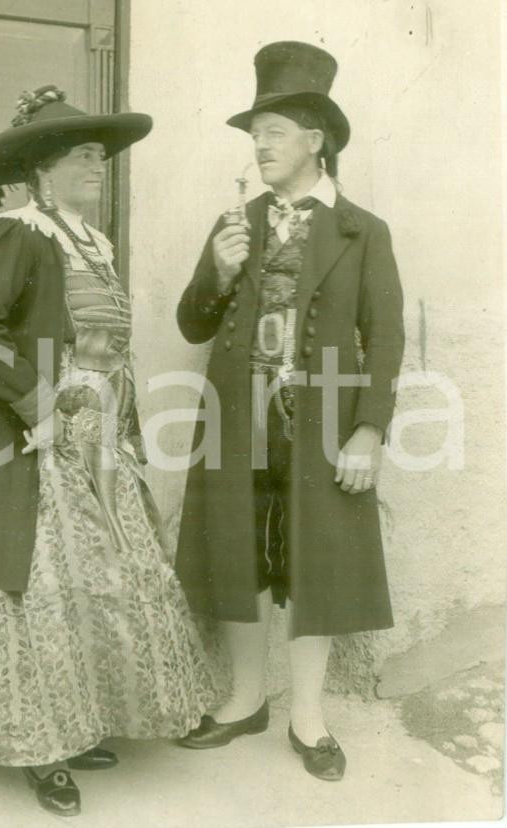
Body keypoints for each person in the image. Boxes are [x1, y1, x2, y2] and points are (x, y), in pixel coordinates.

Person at [0, 85, 217, 816]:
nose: (99, 167)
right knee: (32, 594)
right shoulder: (17, 231)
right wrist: (39, 402)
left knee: (94, 583)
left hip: (97, 438)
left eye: (102, 158)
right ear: (45, 167)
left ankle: (73, 728)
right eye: (85, 155)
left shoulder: (91, 242)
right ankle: (38, 750)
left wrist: (122, 424)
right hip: (30, 442)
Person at [175, 42, 404, 781]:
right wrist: (218, 269)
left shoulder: (363, 231)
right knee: (239, 553)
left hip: (325, 427)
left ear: (317, 140)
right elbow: (192, 323)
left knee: (314, 562)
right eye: (254, 134)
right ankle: (246, 700)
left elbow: (387, 336)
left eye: (272, 131)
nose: (259, 145)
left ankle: (308, 715)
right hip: (237, 418)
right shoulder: (237, 219)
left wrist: (369, 429)